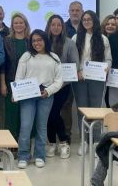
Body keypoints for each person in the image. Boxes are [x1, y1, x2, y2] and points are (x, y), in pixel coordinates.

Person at [15, 29, 63, 169]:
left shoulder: (54, 57)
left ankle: (39, 155)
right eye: (34, 40)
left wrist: (48, 91)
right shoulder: (26, 56)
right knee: (26, 126)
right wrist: (17, 93)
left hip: (46, 96)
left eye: (39, 40)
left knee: (42, 127)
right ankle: (23, 155)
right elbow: (19, 77)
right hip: (27, 96)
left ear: (45, 40)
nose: (37, 43)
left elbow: (59, 80)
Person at [72, 10, 112, 155]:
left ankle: (96, 141)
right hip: (80, 78)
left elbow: (108, 59)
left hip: (97, 79)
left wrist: (107, 68)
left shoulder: (103, 39)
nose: (87, 21)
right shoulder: (76, 37)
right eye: (84, 19)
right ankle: (84, 141)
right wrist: (78, 70)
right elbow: (73, 58)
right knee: (81, 109)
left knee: (96, 109)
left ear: (94, 21)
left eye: (89, 19)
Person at [44, 14, 79, 159]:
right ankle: (52, 143)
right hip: (45, 87)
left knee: (54, 113)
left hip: (63, 86)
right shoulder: (43, 41)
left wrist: (59, 84)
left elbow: (75, 64)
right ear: (49, 26)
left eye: (59, 25)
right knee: (49, 115)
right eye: (53, 24)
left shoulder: (69, 43)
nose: (56, 27)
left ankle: (63, 142)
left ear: (63, 27)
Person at [0, 12, 30, 139]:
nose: (18, 25)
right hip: (11, 83)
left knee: (26, 115)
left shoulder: (31, 40)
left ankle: (24, 145)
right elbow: (3, 64)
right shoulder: (6, 41)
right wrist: (3, 84)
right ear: (12, 25)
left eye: (21, 22)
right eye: (16, 23)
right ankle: (11, 145)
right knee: (11, 115)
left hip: (29, 84)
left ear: (25, 24)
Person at [61, 1, 84, 143]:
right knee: (66, 106)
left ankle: (86, 138)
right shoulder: (62, 27)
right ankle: (66, 135)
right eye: (72, 10)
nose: (75, 13)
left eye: (78, 10)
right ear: (68, 11)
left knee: (84, 106)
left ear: (82, 11)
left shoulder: (88, 27)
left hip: (85, 75)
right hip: (67, 75)